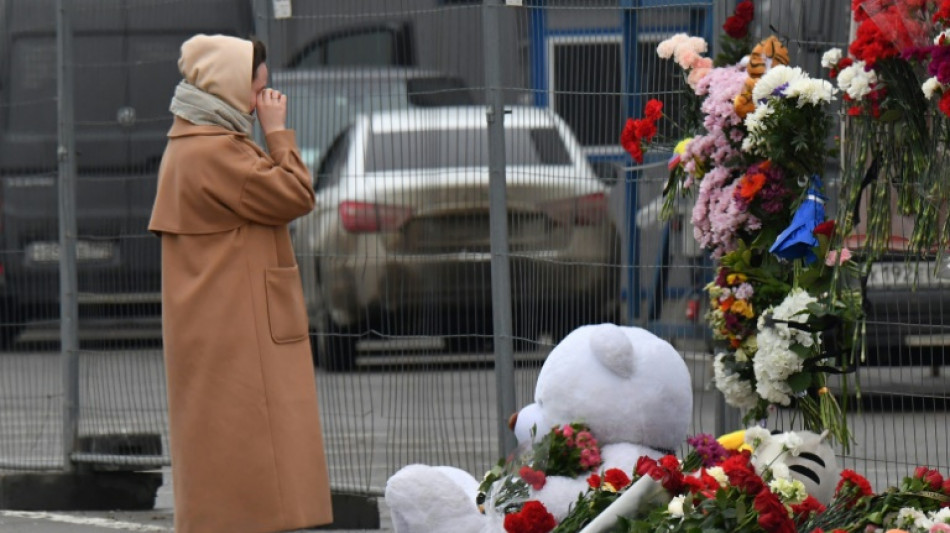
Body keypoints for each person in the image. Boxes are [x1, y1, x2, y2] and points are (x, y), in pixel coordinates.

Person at [148, 34, 332, 533]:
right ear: (229, 89)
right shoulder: (217, 152)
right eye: (257, 91)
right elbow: (295, 194)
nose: (263, 103)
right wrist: (278, 134)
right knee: (253, 461)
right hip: (241, 331)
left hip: (223, 327)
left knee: (225, 454)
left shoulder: (195, 143)